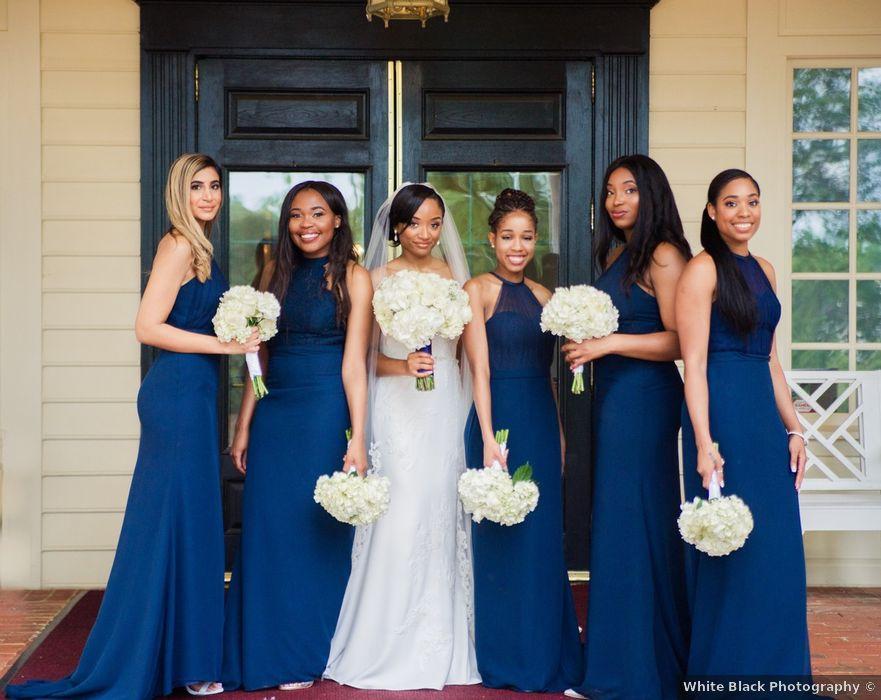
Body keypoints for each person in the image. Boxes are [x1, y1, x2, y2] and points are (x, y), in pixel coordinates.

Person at [7, 153, 259, 699]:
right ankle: (176, 662)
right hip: (174, 394)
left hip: (195, 392)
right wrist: (225, 344)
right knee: (176, 520)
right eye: (198, 186)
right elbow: (146, 326)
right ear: (179, 192)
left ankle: (185, 657)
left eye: (215, 186)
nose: (209, 196)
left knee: (189, 521)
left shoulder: (205, 250)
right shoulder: (177, 245)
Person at [324, 183, 481, 690]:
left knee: (438, 507)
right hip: (396, 408)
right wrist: (403, 365)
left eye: (435, 223)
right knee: (401, 510)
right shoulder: (376, 278)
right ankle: (384, 638)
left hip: (441, 406)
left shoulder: (456, 278)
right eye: (415, 223)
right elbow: (366, 357)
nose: (425, 233)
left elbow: (462, 354)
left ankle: (442, 635)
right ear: (396, 226)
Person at [222, 181, 372, 692]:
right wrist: (244, 426)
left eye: (317, 213)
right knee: (269, 527)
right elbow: (256, 357)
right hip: (276, 408)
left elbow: (356, 365)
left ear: (336, 221)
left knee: (314, 530)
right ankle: (263, 644)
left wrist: (357, 437)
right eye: (295, 215)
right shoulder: (274, 273)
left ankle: (308, 648)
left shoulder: (354, 276)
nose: (306, 223)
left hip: (324, 409)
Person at [563, 155, 692, 700]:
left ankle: (639, 672)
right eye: (611, 191)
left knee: (636, 523)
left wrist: (608, 343)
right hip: (615, 398)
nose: (617, 200)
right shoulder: (622, 254)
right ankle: (621, 664)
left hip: (646, 400)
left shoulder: (663, 255)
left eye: (629, 190)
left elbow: (683, 341)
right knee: (619, 524)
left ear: (652, 194)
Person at [675, 168, 811, 679]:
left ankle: (779, 676)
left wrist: (795, 429)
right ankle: (726, 677)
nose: (744, 212)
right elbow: (693, 365)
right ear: (712, 212)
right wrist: (706, 442)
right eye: (731, 203)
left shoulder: (767, 270)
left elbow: (771, 359)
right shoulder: (702, 270)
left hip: (763, 418)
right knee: (732, 548)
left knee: (776, 550)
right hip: (722, 415)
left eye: (752, 202)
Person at [462, 188, 583, 692]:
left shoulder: (547, 298)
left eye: (527, 237)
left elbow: (552, 376)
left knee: (539, 543)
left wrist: (556, 435)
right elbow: (479, 370)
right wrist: (489, 438)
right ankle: (504, 659)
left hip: (536, 416)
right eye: (508, 236)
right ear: (492, 239)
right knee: (499, 540)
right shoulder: (478, 289)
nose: (518, 246)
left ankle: (543, 654)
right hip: (497, 422)